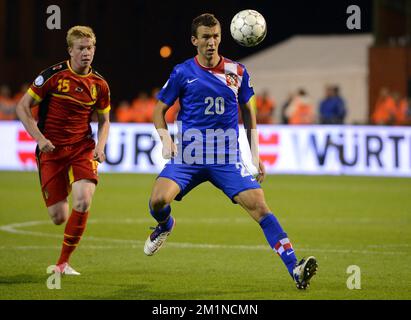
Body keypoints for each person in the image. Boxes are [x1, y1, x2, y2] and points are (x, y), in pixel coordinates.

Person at [143, 13, 317, 290]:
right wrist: (165, 139)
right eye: (205, 37)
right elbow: (158, 111)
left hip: (226, 158)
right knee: (157, 201)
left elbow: (249, 114)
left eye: (215, 37)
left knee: (260, 206)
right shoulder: (182, 72)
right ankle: (164, 225)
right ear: (194, 40)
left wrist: (255, 155)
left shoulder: (237, 72)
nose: (211, 43)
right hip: (189, 155)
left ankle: (295, 267)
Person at [16, 26, 111, 275]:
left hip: (82, 147)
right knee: (58, 216)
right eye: (81, 48)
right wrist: (39, 138)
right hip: (52, 149)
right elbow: (22, 108)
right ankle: (66, 184)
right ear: (70, 50)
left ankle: (62, 264)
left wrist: (100, 147)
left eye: (90, 48)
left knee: (83, 199)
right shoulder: (52, 76)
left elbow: (105, 121)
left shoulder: (99, 84)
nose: (86, 53)